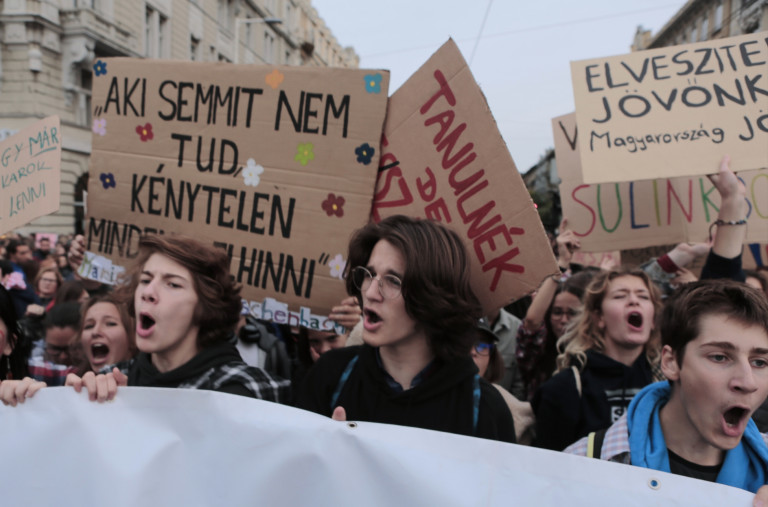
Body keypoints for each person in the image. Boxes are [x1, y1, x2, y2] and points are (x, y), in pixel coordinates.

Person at [296, 215, 515, 443]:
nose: (371, 292)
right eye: (368, 274)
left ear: (433, 296)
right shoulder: (330, 377)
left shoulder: (483, 410)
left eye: (393, 280)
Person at [566, 280, 768, 495]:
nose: (748, 382)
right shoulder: (580, 466)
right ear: (671, 362)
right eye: (719, 357)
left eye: (760, 362)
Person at [65, 234, 290, 403]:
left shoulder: (242, 391)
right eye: (145, 280)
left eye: (172, 284)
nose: (148, 292)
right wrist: (64, 406)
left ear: (204, 306)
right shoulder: (113, 379)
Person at [532, 269, 662, 451]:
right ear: (599, 317)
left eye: (643, 296)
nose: (634, 300)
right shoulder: (564, 388)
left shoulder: (668, 386)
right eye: (620, 296)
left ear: (653, 319)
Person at [472, 319, 534, 444]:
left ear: (491, 356)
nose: (473, 352)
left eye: (482, 346)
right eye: (465, 343)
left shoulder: (499, 403)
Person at [71, 295, 136, 375]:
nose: (95, 332)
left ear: (133, 336)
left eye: (110, 324)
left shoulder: (149, 382)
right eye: (89, 326)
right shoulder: (73, 381)